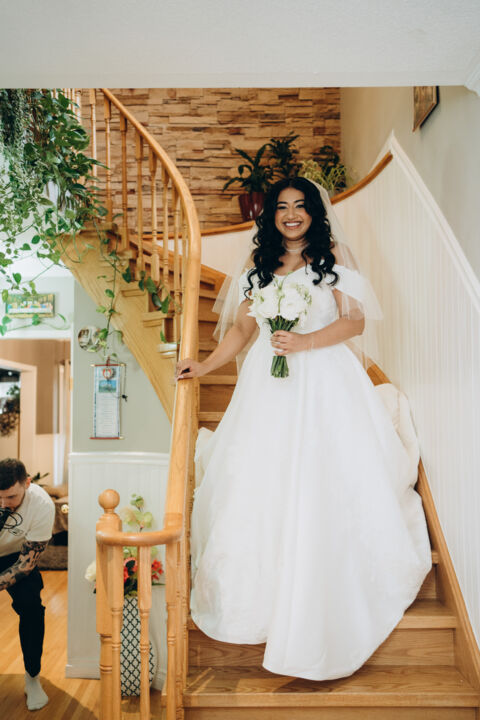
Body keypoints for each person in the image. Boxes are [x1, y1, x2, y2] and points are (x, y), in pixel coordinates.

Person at [175, 177, 432, 681]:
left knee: (321, 478)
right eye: (282, 207)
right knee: (262, 482)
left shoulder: (333, 257)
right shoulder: (259, 265)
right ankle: (260, 604)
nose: (291, 214)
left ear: (314, 212)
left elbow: (354, 322)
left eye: (300, 205)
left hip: (324, 377)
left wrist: (305, 342)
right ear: (270, 215)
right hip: (267, 384)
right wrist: (204, 367)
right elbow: (243, 328)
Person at [0, 458, 55, 710]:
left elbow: (26, 564)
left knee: (32, 607)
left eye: (11, 497)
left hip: (16, 556)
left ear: (27, 483)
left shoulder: (42, 505)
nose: (4, 504)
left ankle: (32, 677)